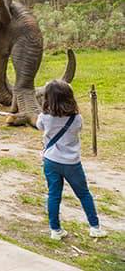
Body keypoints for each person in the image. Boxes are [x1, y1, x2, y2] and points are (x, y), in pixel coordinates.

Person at [37, 80, 107, 240]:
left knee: (54, 195)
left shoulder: (44, 117)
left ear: (48, 98)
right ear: (69, 98)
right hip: (72, 163)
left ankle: (55, 230)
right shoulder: (77, 119)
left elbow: (39, 126)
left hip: (51, 161)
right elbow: (78, 130)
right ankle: (95, 227)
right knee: (84, 194)